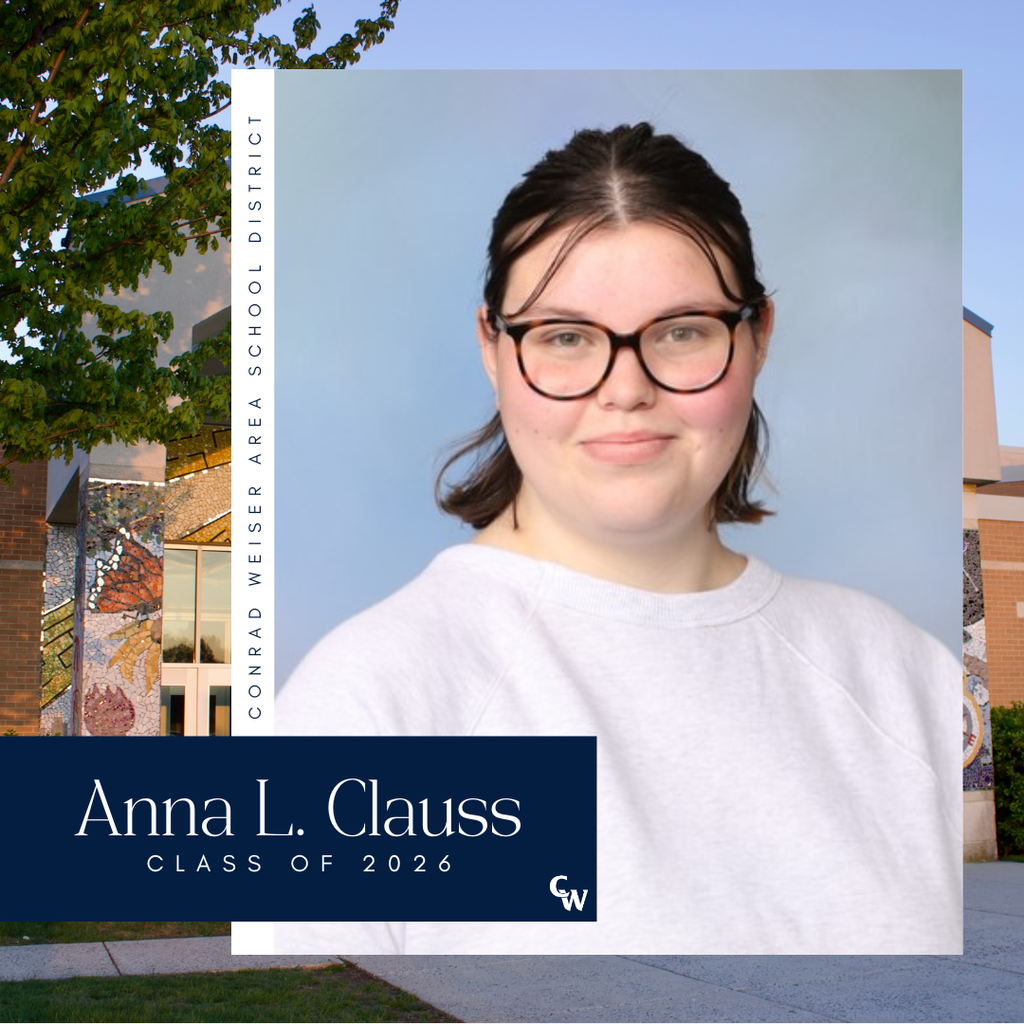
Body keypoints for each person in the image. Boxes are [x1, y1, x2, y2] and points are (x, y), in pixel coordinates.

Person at [275, 122, 961, 955]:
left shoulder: (901, 678)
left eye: (681, 332)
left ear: (757, 336)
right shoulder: (369, 707)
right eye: (566, 338)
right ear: (493, 347)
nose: (626, 390)